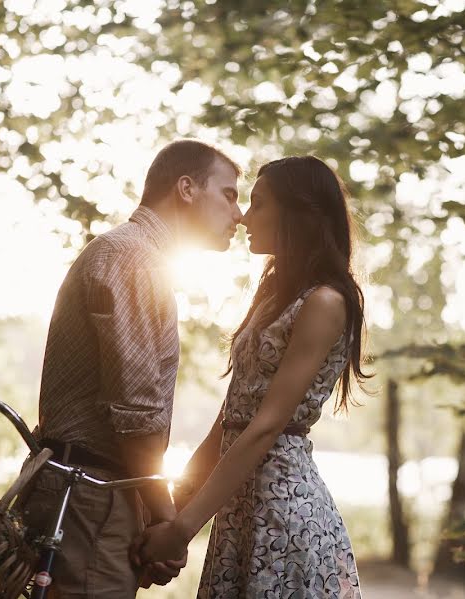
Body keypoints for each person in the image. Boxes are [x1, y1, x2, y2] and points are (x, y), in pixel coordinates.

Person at [133, 156, 368, 598]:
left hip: (283, 514)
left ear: (295, 213)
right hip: (240, 508)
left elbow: (264, 428)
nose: (243, 217)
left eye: (258, 204)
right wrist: (171, 509)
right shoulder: (273, 296)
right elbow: (232, 418)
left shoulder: (326, 302)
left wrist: (182, 529)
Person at [21, 139, 243, 597]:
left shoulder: (138, 258)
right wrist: (166, 518)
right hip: (90, 493)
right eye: (229, 193)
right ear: (186, 188)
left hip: (95, 490)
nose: (238, 214)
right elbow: (137, 413)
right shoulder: (134, 259)